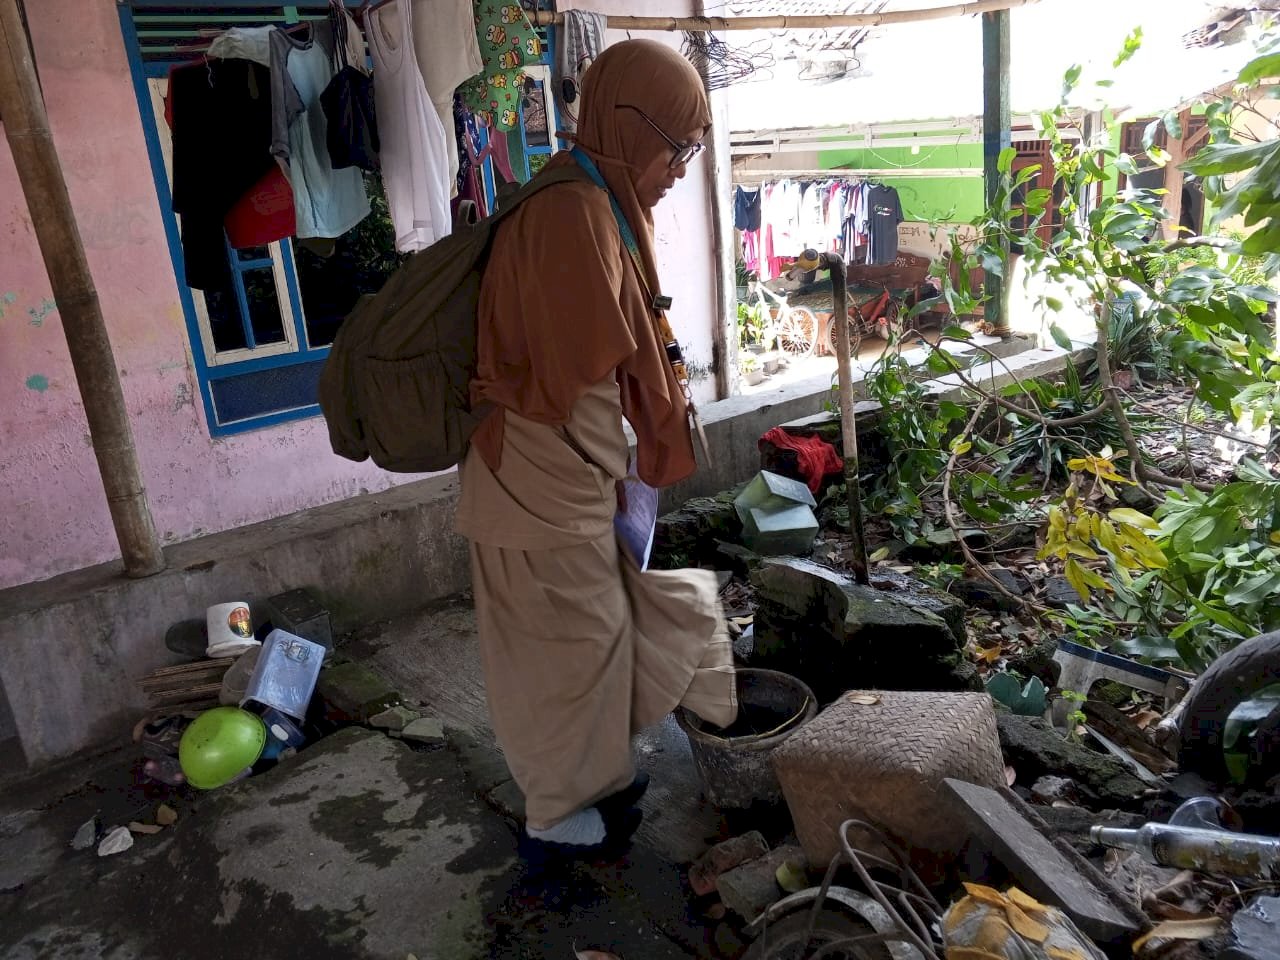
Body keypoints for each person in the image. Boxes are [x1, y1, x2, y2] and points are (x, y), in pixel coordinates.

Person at [454, 39, 738, 862]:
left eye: (692, 149)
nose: (681, 169)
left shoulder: (598, 202)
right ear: (629, 123)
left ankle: (597, 781)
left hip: (568, 473)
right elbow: (569, 368)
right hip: (535, 480)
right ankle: (556, 817)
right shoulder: (571, 213)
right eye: (678, 147)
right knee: (557, 659)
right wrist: (620, 452)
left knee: (595, 637)